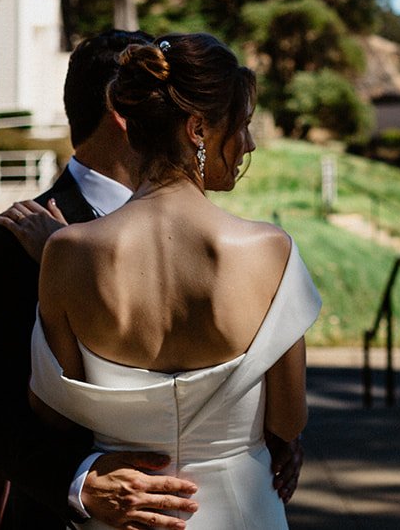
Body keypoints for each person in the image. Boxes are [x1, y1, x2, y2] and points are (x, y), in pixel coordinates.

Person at [26, 33, 320, 530]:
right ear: (198, 127)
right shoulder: (271, 251)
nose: (247, 143)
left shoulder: (65, 252)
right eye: (241, 125)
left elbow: (53, 414)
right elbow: (287, 422)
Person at [0, 28, 203, 530]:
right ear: (124, 108)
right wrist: (82, 481)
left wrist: (270, 441)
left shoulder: (211, 234)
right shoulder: (6, 246)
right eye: (177, 104)